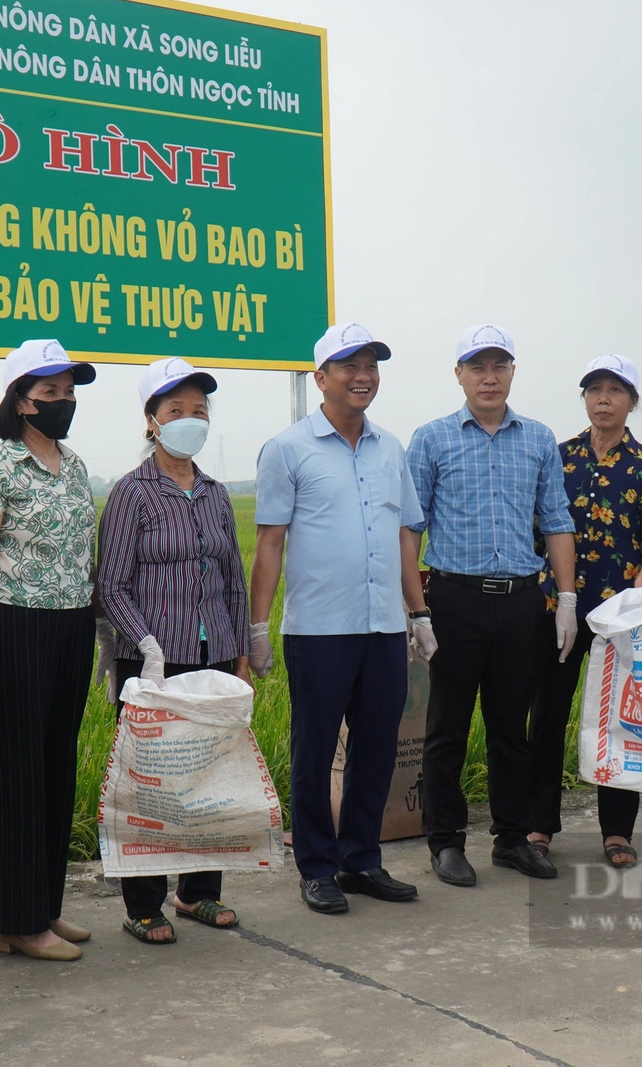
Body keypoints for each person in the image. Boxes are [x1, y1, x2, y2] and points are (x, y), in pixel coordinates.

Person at [250, 323, 424, 915]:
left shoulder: (391, 448)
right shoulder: (287, 449)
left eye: (372, 364)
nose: (363, 376)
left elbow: (405, 535)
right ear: (320, 378)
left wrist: (418, 611)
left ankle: (362, 859)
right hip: (319, 629)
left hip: (383, 626)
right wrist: (257, 626)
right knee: (316, 750)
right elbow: (270, 543)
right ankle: (318, 867)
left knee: (376, 749)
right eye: (349, 366)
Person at [404, 323, 577, 887]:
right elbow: (410, 528)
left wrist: (567, 598)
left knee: (511, 728)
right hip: (455, 598)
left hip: (523, 600)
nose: (489, 377)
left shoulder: (538, 438)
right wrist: (417, 609)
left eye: (499, 366)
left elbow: (555, 520)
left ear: (512, 373)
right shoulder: (431, 439)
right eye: (478, 367)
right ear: (459, 375)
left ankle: (510, 838)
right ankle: (446, 841)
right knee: (447, 726)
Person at [0, 339, 100, 961]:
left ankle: (45, 906)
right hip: (17, 626)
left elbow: (80, 555)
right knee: (18, 770)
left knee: (56, 766)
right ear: (20, 401)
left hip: (71, 627)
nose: (62, 402)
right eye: (49, 393)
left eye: (68, 392)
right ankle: (17, 921)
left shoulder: (75, 465)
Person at [94, 357, 250, 943]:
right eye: (176, 410)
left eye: (199, 409)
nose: (190, 419)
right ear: (152, 422)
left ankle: (199, 893)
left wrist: (239, 647)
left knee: (210, 779)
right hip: (153, 663)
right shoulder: (133, 494)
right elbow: (109, 584)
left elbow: (231, 570)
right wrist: (145, 645)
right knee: (152, 784)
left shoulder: (212, 492)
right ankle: (142, 903)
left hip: (212, 659)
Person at [526, 355, 642, 869]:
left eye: (615, 390)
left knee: (619, 720)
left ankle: (617, 831)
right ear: (584, 399)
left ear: (632, 401)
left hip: (620, 615)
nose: (603, 399)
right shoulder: (557, 456)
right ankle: (539, 824)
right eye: (594, 390)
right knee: (546, 716)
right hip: (555, 608)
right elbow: (535, 526)